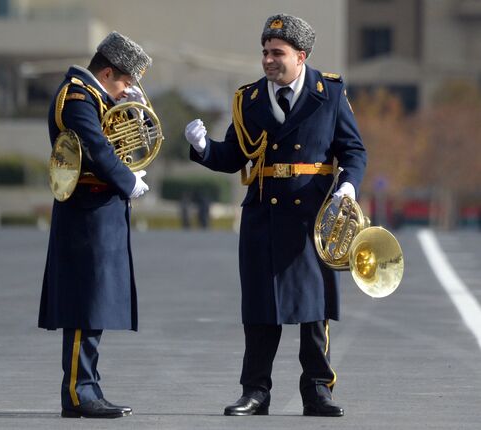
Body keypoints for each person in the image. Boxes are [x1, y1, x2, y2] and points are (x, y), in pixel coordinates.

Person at [185, 14, 366, 417]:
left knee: (315, 310)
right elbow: (234, 157)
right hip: (264, 215)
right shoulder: (248, 99)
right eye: (265, 52)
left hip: (313, 217)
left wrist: (349, 186)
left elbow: (353, 151)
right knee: (261, 310)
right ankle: (255, 391)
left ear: (300, 56)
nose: (268, 60)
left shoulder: (329, 92)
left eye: (277, 53)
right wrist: (202, 148)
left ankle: (318, 390)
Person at [38, 31, 152, 419]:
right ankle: (78, 391)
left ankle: (87, 384)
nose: (129, 89)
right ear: (107, 72)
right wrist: (128, 180)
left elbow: (122, 145)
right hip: (85, 209)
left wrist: (134, 115)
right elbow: (96, 148)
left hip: (100, 209)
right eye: (126, 81)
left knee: (95, 303)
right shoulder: (78, 96)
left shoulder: (96, 97)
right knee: (84, 303)